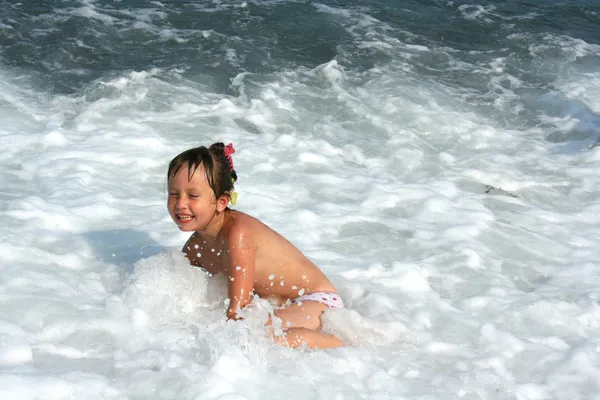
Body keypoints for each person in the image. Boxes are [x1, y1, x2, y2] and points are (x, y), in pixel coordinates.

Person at [166, 142, 344, 349]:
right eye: (173, 193)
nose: (180, 204)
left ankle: (343, 345)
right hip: (278, 304)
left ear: (222, 201)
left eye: (193, 195)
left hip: (318, 302)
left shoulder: (237, 235)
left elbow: (239, 310)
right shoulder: (195, 247)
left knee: (259, 336)